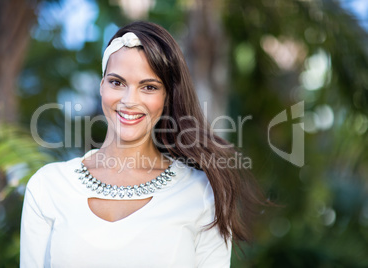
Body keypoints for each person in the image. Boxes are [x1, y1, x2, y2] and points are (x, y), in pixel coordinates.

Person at [20, 21, 265, 267]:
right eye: (117, 82)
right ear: (101, 85)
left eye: (148, 87)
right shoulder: (48, 186)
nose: (129, 100)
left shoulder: (201, 193)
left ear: (167, 97)